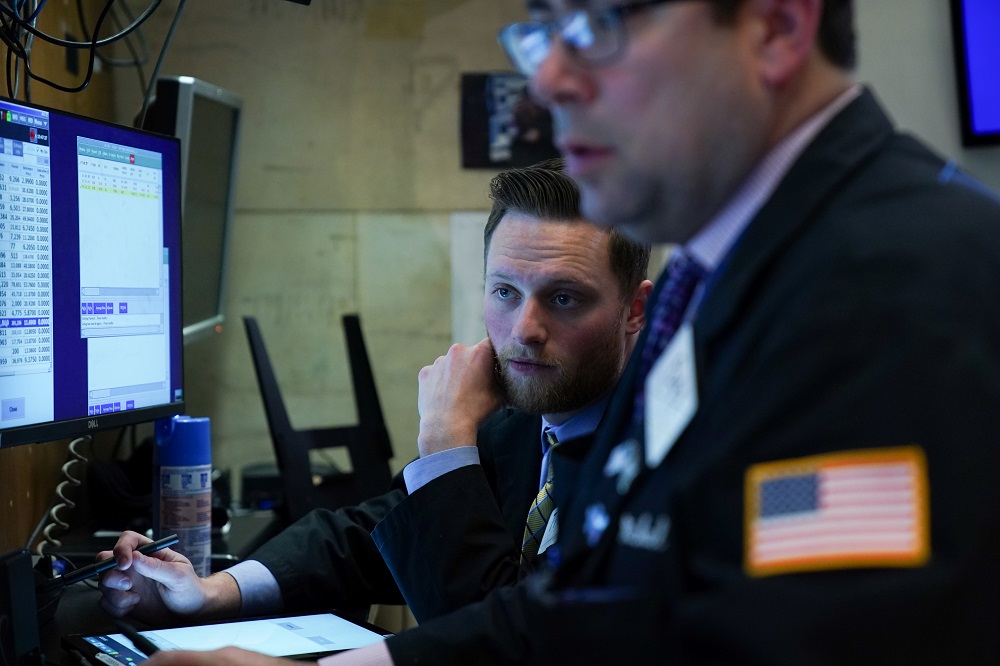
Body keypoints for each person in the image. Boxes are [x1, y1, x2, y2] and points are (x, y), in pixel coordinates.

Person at [138, 0, 1000, 664]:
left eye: (597, 27)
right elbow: (629, 592)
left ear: (775, 26)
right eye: (541, 31)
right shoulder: (751, 277)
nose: (548, 80)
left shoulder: (887, 280)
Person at [97, 161, 653, 628]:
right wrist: (212, 592)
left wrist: (444, 441)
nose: (525, 330)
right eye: (504, 292)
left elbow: (496, 637)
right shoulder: (527, 423)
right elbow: (372, 537)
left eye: (563, 299)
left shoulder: (659, 463)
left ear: (634, 311)